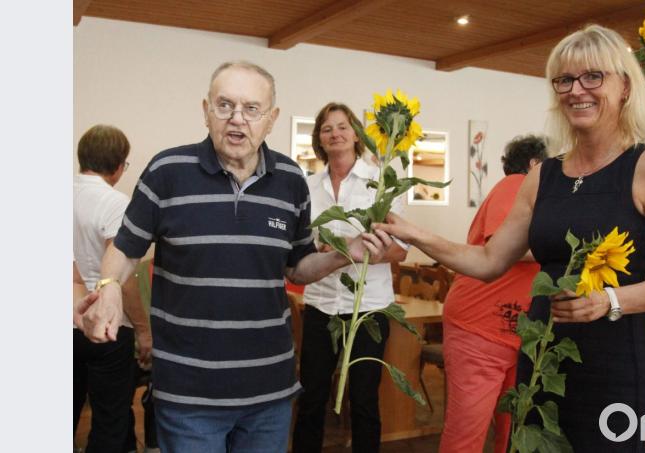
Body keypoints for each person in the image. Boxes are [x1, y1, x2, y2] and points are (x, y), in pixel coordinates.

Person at [375, 24, 645, 452]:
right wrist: (412, 233)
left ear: (624, 87)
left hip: (613, 361)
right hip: (539, 355)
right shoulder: (544, 175)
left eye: (593, 77)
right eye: (564, 80)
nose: (576, 90)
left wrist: (609, 300)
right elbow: (489, 261)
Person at [75, 61, 393, 453]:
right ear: (206, 110)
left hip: (269, 394)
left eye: (251, 109)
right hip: (190, 395)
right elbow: (125, 247)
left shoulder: (291, 180)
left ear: (271, 118)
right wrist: (107, 287)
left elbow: (298, 265)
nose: (237, 120)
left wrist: (347, 253)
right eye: (224, 106)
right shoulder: (167, 171)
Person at [292, 102, 408, 453]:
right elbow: (301, 246)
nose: (335, 134)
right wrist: (348, 247)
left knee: (364, 399)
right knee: (311, 397)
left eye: (342, 126)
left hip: (369, 308)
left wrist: (341, 247)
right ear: (319, 139)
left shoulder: (381, 182)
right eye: (326, 129)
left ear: (357, 134)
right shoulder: (307, 186)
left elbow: (400, 248)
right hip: (321, 304)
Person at [437, 135, 547, 453]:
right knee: (466, 436)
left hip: (516, 331)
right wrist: (562, 246)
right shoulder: (516, 184)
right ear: (534, 165)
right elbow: (500, 242)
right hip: (480, 327)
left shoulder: (531, 196)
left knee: (513, 432)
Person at [73, 125, 152, 453]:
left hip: (68, 319)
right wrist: (144, 331)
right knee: (110, 420)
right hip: (107, 327)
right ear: (119, 166)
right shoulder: (116, 203)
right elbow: (121, 281)